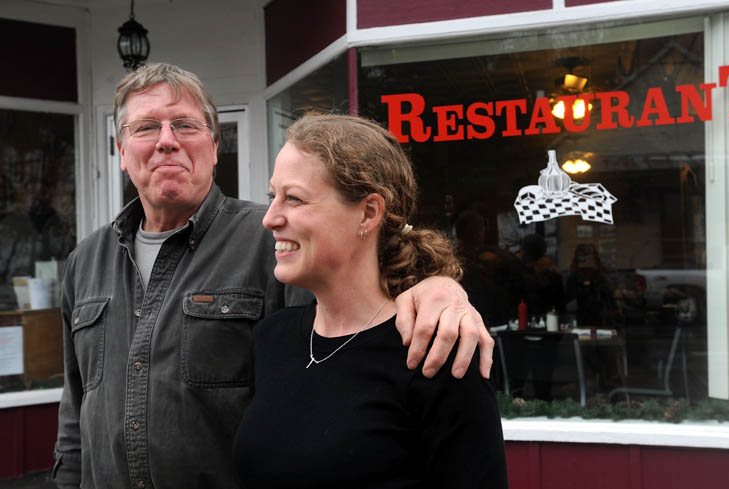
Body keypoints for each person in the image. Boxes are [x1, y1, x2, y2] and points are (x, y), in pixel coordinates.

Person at [53, 63, 494, 489]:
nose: (167, 141)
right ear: (121, 150)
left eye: (185, 125)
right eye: (146, 127)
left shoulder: (275, 247)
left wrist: (440, 285)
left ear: (213, 142)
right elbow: (75, 415)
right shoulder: (85, 262)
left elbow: (356, 322)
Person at [233, 114, 508, 488]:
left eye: (293, 198)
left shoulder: (436, 351)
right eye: (272, 197)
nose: (269, 218)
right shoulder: (271, 338)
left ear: (368, 212)